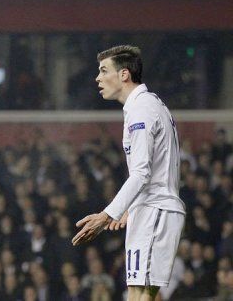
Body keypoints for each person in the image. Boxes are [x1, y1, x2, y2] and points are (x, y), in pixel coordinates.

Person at [72, 45, 186, 301]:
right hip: (147, 209)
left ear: (124, 74)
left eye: (103, 71)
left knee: (140, 295)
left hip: (156, 210)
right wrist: (129, 208)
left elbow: (141, 172)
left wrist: (106, 215)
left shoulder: (142, 109)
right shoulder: (144, 106)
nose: (97, 78)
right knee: (141, 295)